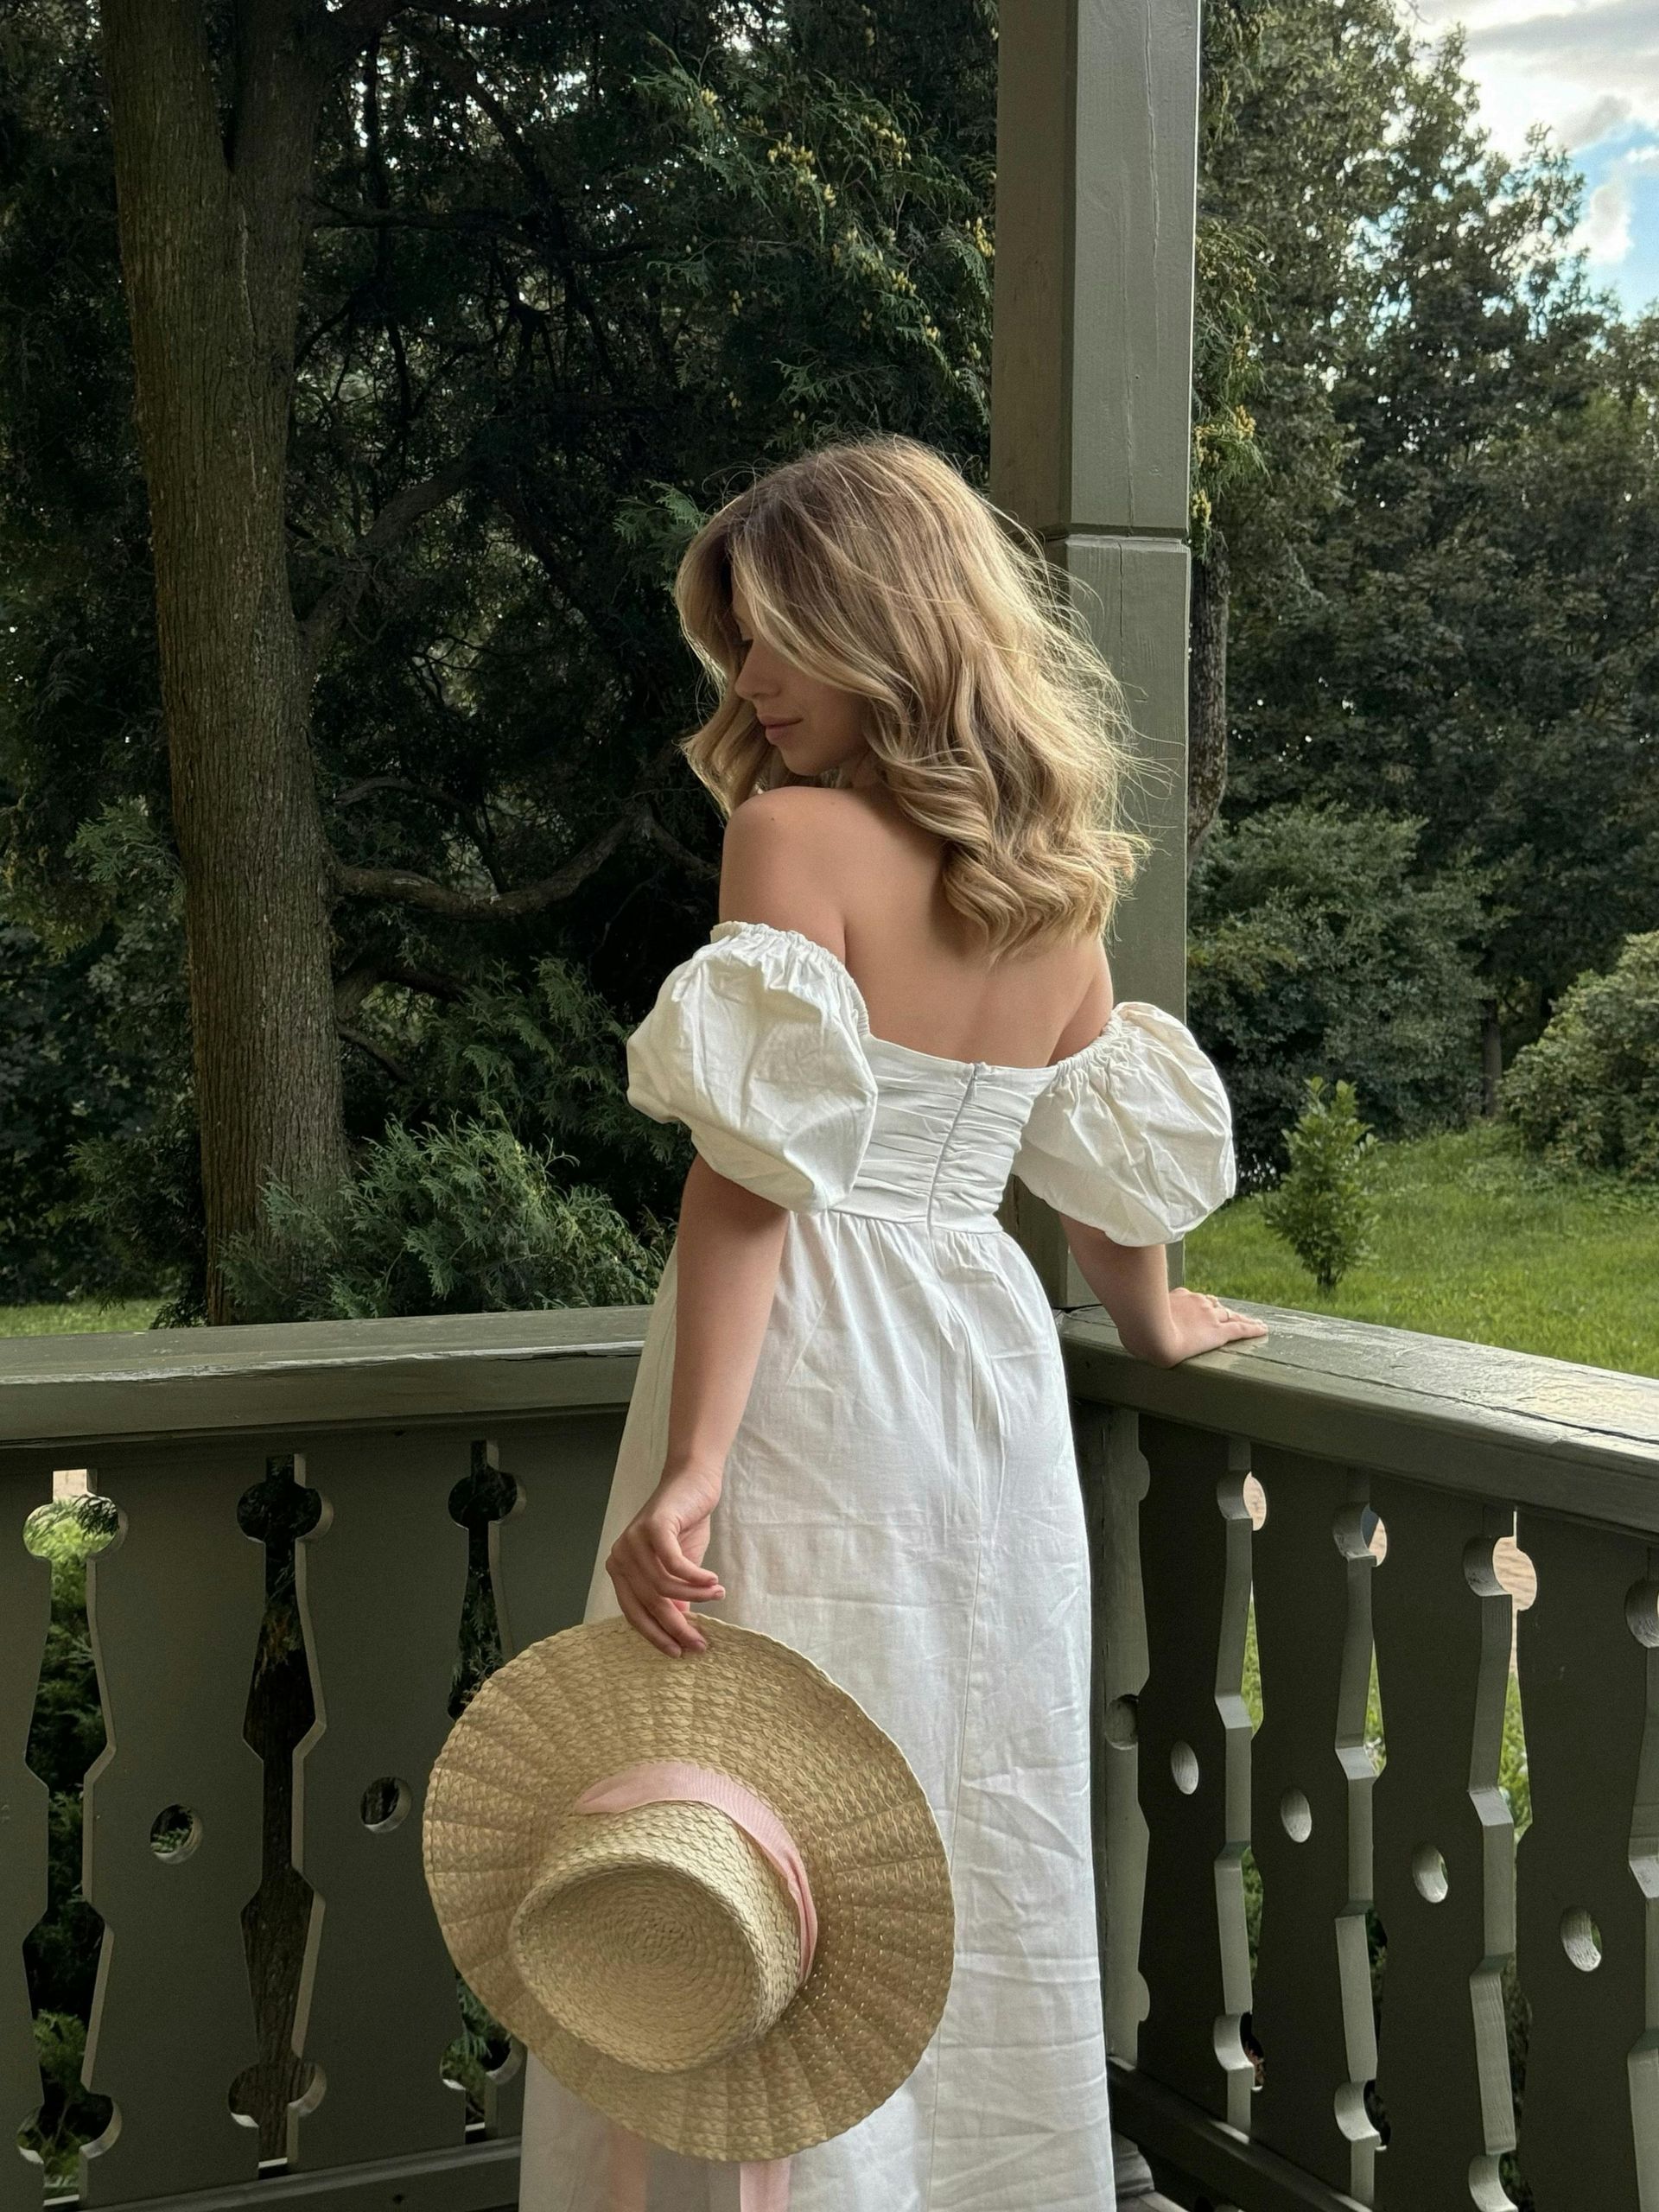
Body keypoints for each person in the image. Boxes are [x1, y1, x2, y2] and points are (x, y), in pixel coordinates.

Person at [515, 432, 1269, 2212]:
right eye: (735, 651)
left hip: (814, 1368)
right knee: (952, 1790)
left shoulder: (791, 838)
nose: (749, 685)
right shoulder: (1060, 888)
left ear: (883, 623)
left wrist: (693, 1466)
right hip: (984, 1388)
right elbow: (1102, 1194)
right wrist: (1155, 1325)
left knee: (744, 1801)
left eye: (775, 638)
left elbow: (751, 1179)